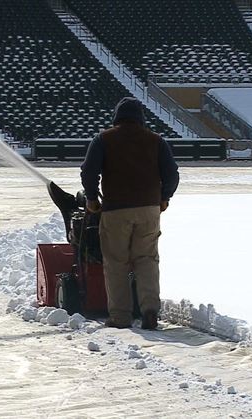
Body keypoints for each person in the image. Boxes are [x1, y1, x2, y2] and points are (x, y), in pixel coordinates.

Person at [80, 97, 179, 330]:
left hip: (116, 210)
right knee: (147, 259)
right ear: (141, 118)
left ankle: (120, 316)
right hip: (149, 210)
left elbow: (88, 172)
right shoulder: (156, 141)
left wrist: (92, 198)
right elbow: (172, 174)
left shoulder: (103, 139)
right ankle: (150, 311)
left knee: (116, 262)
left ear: (117, 117)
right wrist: (164, 197)